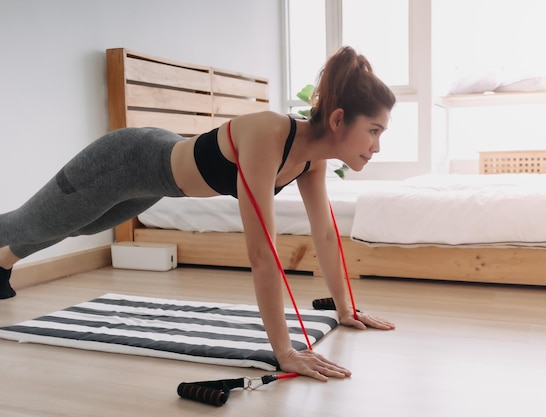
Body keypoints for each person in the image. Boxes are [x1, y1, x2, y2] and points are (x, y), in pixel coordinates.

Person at [0, 46, 396, 381]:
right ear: (339, 119)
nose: (377, 146)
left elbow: (324, 234)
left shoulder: (313, 161)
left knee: (80, 226)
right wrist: (284, 351)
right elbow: (262, 254)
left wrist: (345, 309)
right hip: (123, 160)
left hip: (152, 184)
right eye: (374, 130)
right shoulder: (269, 134)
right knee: (28, 223)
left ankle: (3, 263)